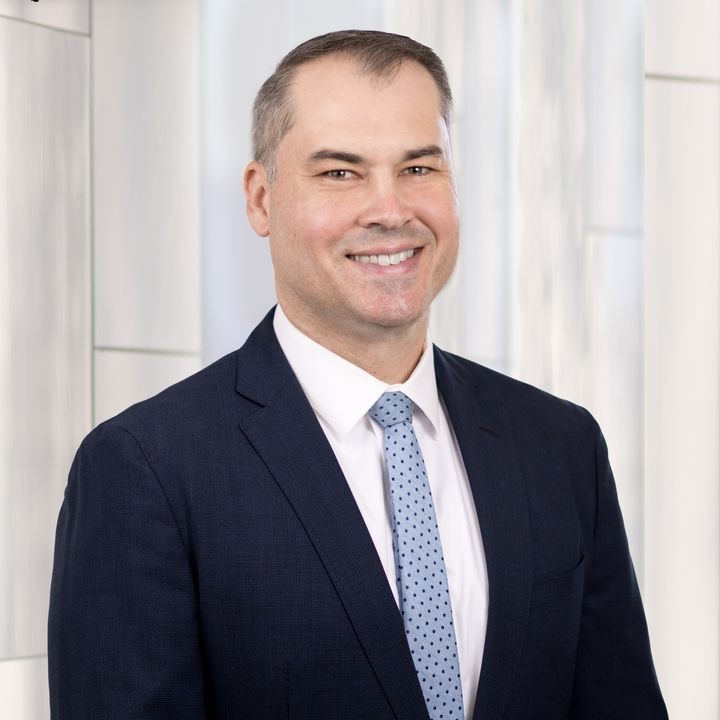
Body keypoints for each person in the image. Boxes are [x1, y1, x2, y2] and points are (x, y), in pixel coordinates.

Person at [48, 30, 667, 720]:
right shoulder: (146, 468)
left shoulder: (560, 445)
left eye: (419, 168)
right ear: (261, 198)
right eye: (340, 173)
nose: (390, 210)